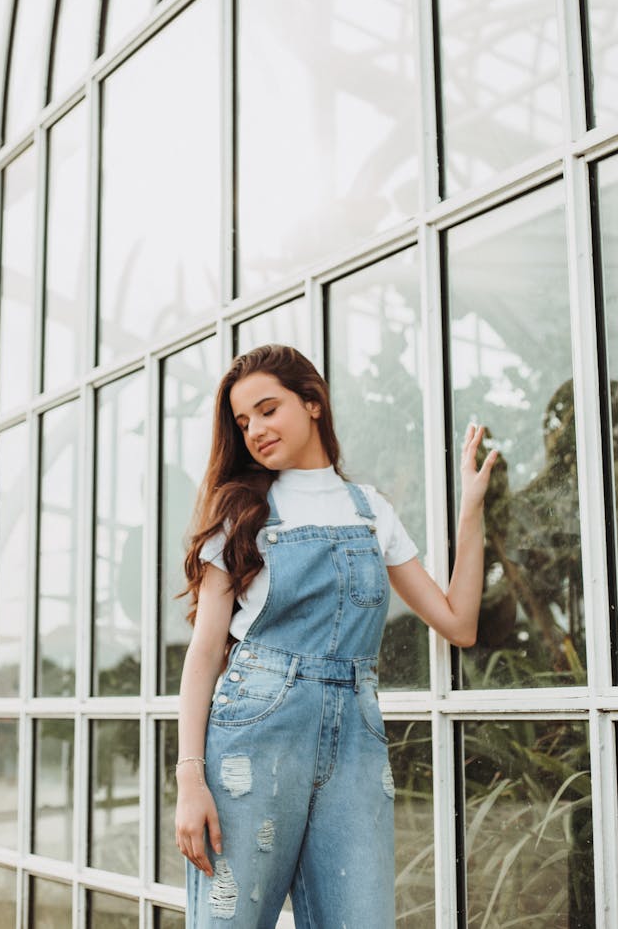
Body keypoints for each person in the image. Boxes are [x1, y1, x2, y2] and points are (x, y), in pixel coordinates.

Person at [175, 344, 497, 927]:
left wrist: (471, 509)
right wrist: (189, 777)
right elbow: (203, 656)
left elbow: (458, 622)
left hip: (355, 742)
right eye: (243, 422)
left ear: (313, 403)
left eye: (268, 410)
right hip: (252, 738)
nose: (255, 431)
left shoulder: (370, 511)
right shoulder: (241, 512)